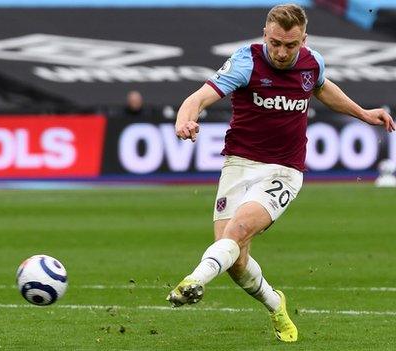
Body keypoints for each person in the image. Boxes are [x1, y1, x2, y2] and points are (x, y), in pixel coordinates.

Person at [166, 4, 395, 343]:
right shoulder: (246, 61)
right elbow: (197, 98)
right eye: (275, 43)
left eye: (291, 45)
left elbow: (321, 87)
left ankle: (194, 280)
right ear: (265, 35)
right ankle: (275, 304)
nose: (282, 52)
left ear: (304, 39)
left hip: (285, 170)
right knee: (235, 260)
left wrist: (362, 113)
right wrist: (184, 120)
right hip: (239, 164)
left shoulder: (312, 62)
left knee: (239, 229)